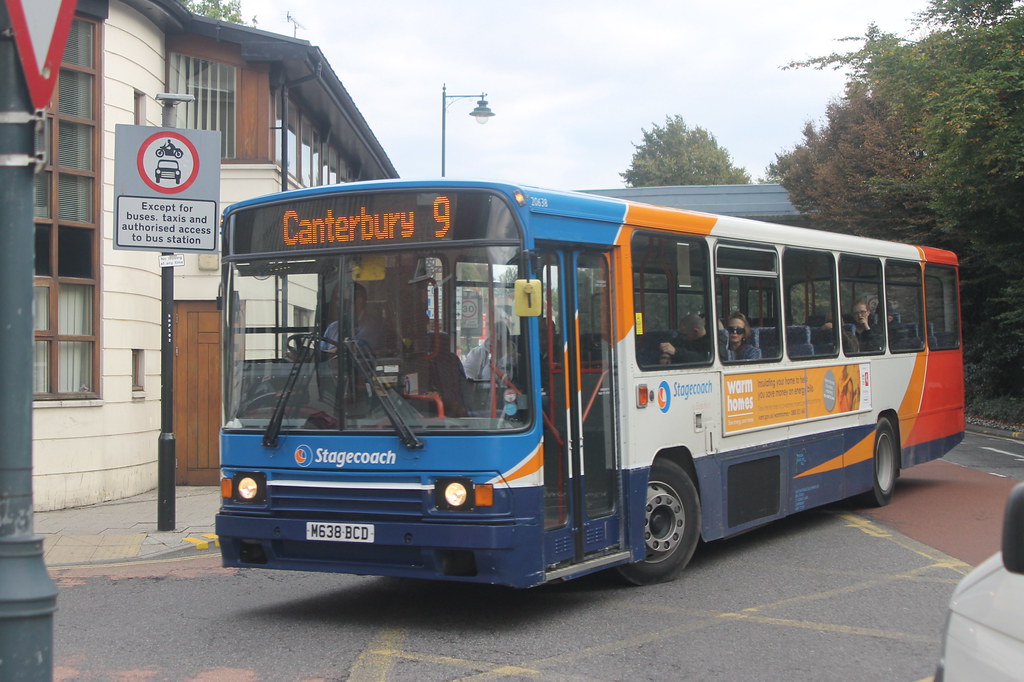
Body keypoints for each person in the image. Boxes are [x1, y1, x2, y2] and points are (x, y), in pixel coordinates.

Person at [321, 282, 389, 353]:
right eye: (336, 300)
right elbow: (320, 354)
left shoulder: (374, 326)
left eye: (341, 299)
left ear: (360, 301)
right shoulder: (332, 328)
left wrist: (334, 352)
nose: (337, 304)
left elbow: (352, 349)